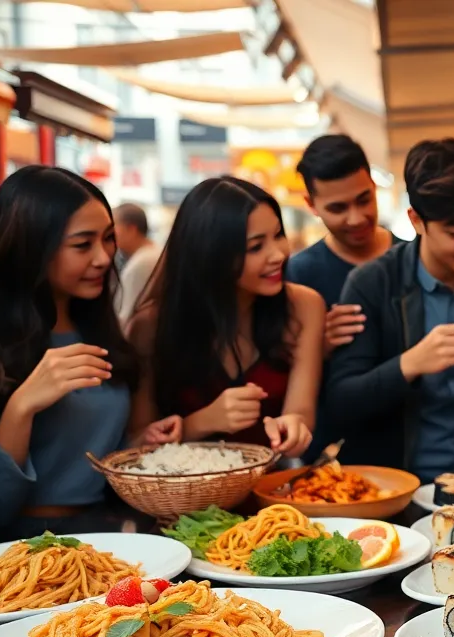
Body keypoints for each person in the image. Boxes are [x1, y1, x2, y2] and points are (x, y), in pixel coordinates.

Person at [0, 167, 178, 539]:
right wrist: (23, 405)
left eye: (109, 239)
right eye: (82, 244)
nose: (104, 257)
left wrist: (139, 446)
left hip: (109, 531)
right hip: (22, 546)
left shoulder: (100, 331)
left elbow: (88, 454)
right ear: (29, 248)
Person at [327, 137, 454, 482]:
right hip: (397, 486)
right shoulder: (372, 283)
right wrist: (410, 363)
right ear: (416, 220)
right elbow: (342, 402)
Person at [130, 177, 323, 457]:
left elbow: (301, 413)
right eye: (256, 247)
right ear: (212, 255)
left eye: (279, 235)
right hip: (182, 496)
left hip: (269, 490)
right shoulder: (152, 325)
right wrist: (200, 422)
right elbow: (136, 445)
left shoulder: (304, 306)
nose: (278, 254)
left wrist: (293, 427)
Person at [288, 134, 400, 460]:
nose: (355, 217)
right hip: (333, 455)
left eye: (364, 200)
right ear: (311, 204)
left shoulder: (411, 260)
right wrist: (316, 347)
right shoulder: (299, 275)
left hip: (410, 446)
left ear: (374, 186)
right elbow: (282, 373)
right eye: (338, 208)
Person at [112, 203, 160, 326]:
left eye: (114, 226)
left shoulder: (144, 261)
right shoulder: (152, 254)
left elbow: (126, 316)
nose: (110, 233)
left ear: (131, 229)